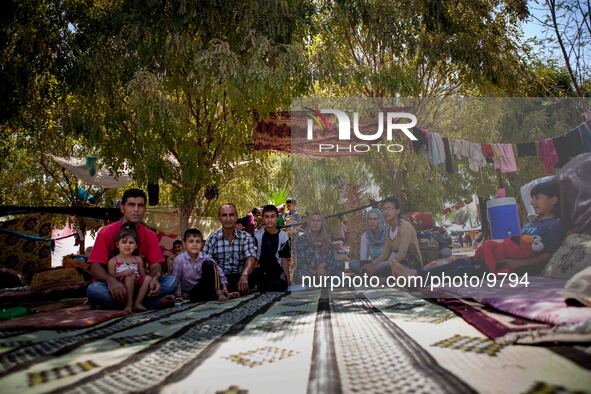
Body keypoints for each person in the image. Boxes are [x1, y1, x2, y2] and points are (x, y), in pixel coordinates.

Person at [392, 180, 565, 279]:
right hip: (502, 259)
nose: (533, 202)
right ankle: (417, 275)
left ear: (553, 200)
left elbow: (547, 255)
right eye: (532, 198)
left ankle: (416, 276)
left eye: (538, 198)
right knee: (461, 263)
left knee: (464, 270)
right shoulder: (531, 223)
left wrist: (519, 264)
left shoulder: (553, 225)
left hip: (514, 268)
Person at [87, 188, 177, 309]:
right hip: (115, 287)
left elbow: (155, 264)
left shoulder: (150, 235)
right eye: (131, 205)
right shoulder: (106, 232)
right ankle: (151, 304)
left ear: (145, 209)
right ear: (122, 208)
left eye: (140, 205)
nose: (136, 209)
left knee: (172, 282)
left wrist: (155, 278)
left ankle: (127, 304)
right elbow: (94, 266)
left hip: (140, 285)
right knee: (94, 290)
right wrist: (110, 281)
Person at [171, 228, 239, 302]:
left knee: (210, 264)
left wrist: (224, 286)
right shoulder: (179, 260)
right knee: (197, 296)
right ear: (184, 244)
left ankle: (220, 293)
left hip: (204, 286)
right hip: (191, 293)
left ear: (202, 244)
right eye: (191, 241)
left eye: (198, 241)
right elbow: (176, 279)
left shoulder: (204, 257)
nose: (194, 244)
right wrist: (178, 296)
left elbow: (218, 271)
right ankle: (221, 295)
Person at [203, 203, 257, 294]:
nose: (228, 219)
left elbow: (251, 257)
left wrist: (244, 275)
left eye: (231, 215)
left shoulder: (245, 237)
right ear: (219, 218)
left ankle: (229, 291)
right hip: (220, 281)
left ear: (236, 217)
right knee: (206, 266)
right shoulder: (212, 238)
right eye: (224, 215)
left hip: (240, 277)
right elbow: (206, 262)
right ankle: (224, 291)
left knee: (258, 273)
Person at [362, 197, 422, 276]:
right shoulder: (388, 231)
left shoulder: (405, 227)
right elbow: (384, 255)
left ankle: (386, 278)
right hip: (394, 264)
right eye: (384, 209)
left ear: (397, 211)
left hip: (410, 264)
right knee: (370, 270)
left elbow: (401, 255)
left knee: (379, 269)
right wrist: (372, 263)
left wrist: (378, 266)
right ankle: (386, 278)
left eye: (390, 208)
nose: (386, 212)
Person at [107, 225, 152, 314]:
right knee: (129, 277)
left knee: (148, 278)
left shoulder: (138, 259)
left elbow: (142, 275)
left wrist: (147, 277)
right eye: (124, 242)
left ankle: (137, 303)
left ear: (136, 246)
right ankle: (129, 304)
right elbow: (111, 277)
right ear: (117, 245)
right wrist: (123, 273)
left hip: (137, 285)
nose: (127, 245)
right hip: (121, 287)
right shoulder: (113, 261)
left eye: (131, 243)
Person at [293, 212, 343, 284]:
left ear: (322, 223)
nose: (315, 223)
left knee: (339, 265)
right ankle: (318, 280)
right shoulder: (302, 239)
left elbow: (331, 257)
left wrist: (323, 266)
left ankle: (322, 279)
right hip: (308, 272)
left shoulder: (327, 238)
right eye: (312, 220)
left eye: (318, 221)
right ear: (309, 222)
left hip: (324, 270)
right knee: (299, 273)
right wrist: (315, 271)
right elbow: (302, 261)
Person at [252, 205, 291, 292]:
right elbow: (252, 257)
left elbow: (284, 259)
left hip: (277, 270)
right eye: (266, 217)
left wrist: (288, 281)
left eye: (272, 216)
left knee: (281, 285)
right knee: (258, 278)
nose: (269, 220)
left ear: (277, 218)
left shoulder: (283, 236)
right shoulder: (256, 235)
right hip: (261, 270)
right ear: (262, 219)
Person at [349, 208, 387, 273]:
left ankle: (372, 271)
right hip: (371, 263)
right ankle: (371, 271)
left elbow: (391, 257)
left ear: (380, 220)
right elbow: (363, 258)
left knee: (388, 265)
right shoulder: (365, 235)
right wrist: (367, 266)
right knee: (352, 264)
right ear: (367, 221)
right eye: (370, 219)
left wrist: (375, 265)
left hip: (385, 262)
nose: (372, 222)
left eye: (375, 219)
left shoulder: (387, 233)